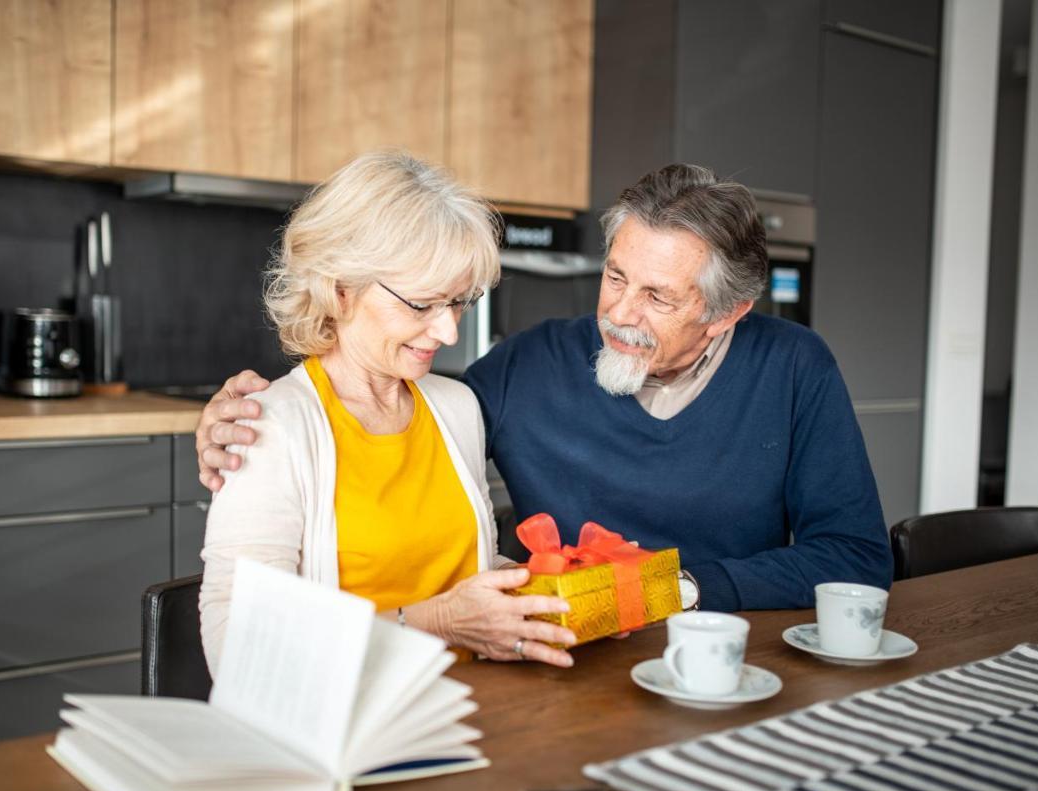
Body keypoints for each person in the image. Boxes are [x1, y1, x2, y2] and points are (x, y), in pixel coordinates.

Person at [198, 164, 892, 618]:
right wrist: (238, 422)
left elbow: (856, 557)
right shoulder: (522, 371)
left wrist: (671, 592)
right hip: (551, 679)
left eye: (656, 296)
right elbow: (374, 400)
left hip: (723, 663)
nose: (620, 313)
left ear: (726, 314)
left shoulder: (794, 368)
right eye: (615, 277)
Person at [198, 150, 576, 678]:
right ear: (340, 290)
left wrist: (560, 592)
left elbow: (469, 574)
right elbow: (239, 646)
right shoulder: (269, 426)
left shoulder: (455, 406)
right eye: (421, 305)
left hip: (474, 707)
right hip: (346, 728)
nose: (448, 333)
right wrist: (436, 623)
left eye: (459, 302)